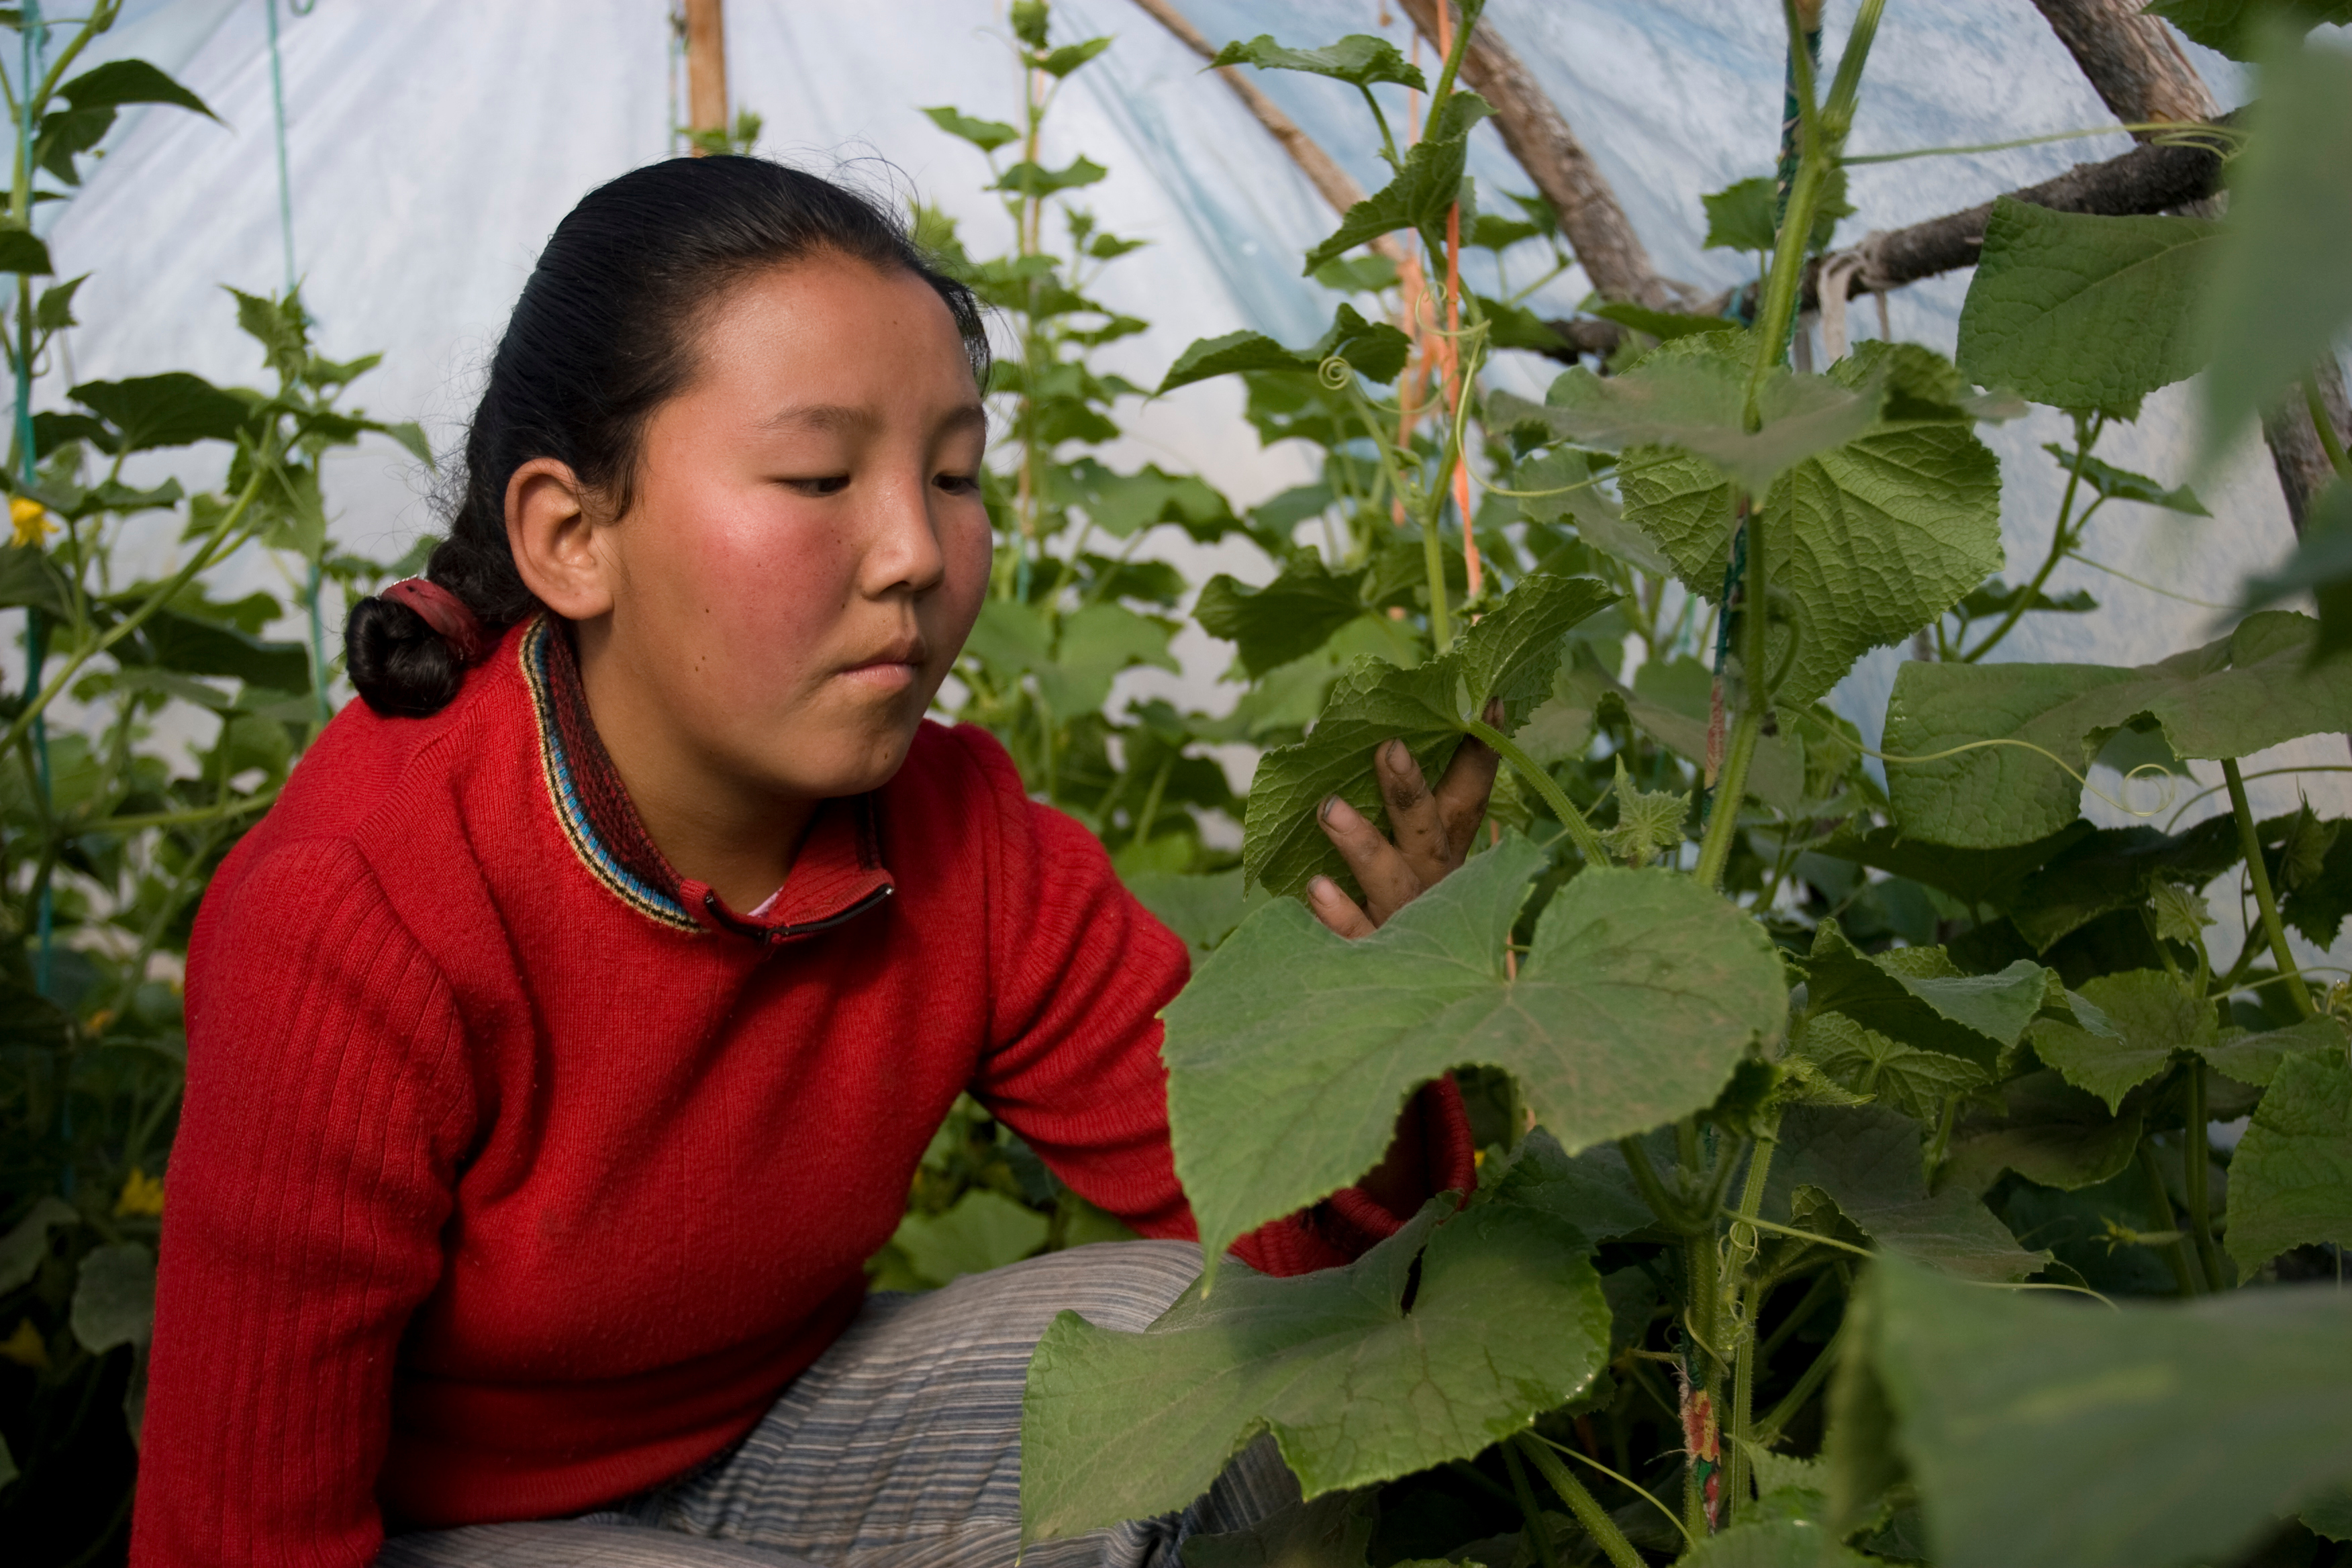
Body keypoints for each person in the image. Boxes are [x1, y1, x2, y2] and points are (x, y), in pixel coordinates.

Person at [131, 157, 1502, 1568]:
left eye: (954, 474)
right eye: (818, 474)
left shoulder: (962, 834)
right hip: (442, 1527)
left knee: (1235, 1356)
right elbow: (235, 1537)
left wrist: (1382, 1032)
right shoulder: (357, 910)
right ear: (571, 534)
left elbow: (1283, 1252)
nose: (917, 549)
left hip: (775, 1434)